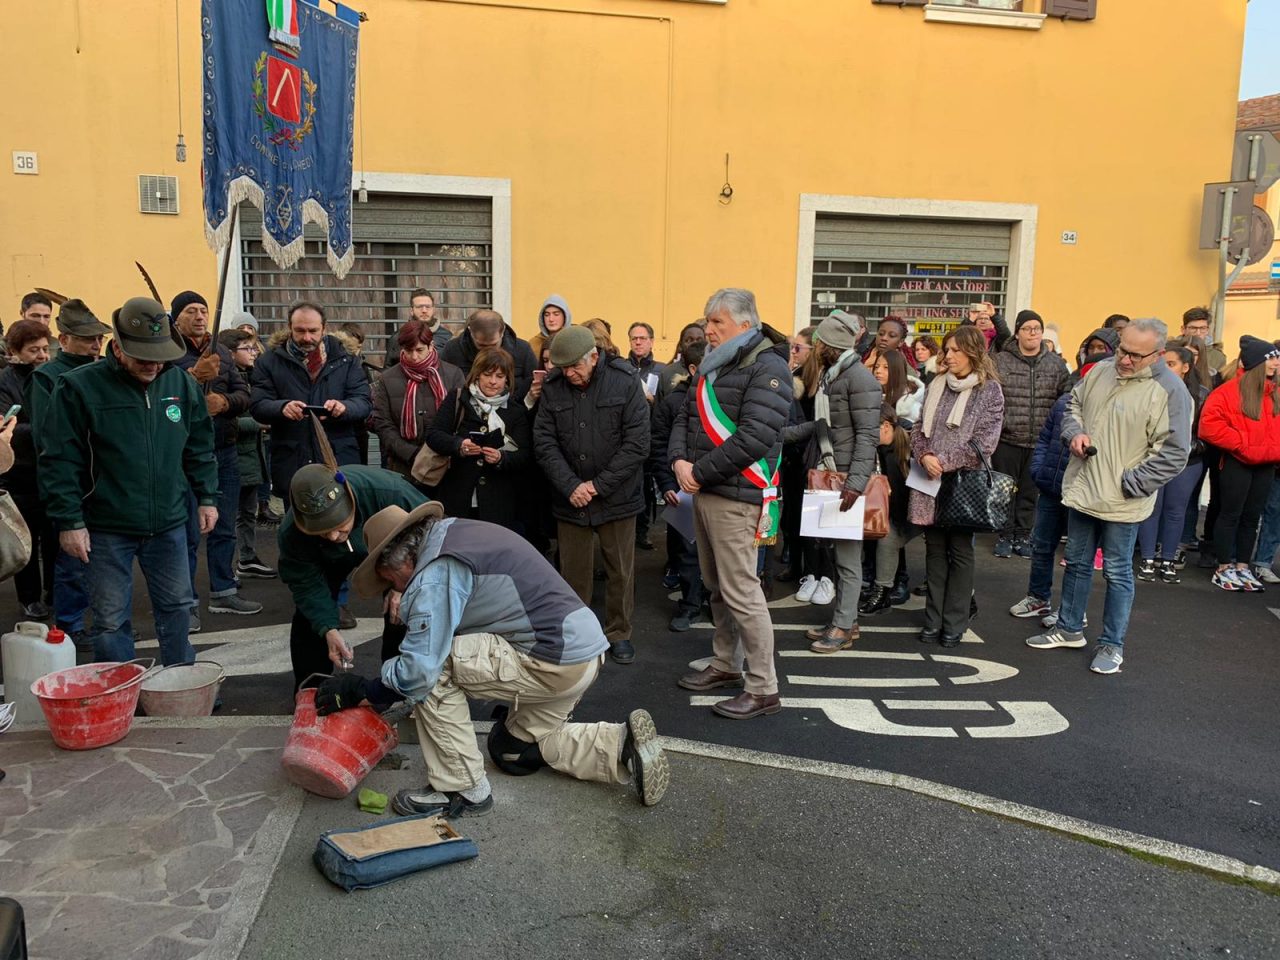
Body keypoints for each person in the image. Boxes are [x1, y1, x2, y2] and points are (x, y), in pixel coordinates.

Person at [313, 504, 671, 817]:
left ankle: (461, 789)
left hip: (550, 658)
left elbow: (419, 672)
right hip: (584, 653)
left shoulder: (435, 573)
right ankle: (621, 746)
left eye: (390, 581)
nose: (397, 590)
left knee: (433, 672)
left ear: (399, 560)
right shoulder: (454, 532)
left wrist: (365, 688)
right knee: (512, 751)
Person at [42, 297, 217, 665]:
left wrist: (207, 496)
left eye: (160, 355)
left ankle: (180, 685)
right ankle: (120, 692)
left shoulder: (179, 385)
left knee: (178, 610)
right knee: (109, 621)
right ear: (118, 348)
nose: (153, 365)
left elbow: (199, 445)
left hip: (168, 522)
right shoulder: (78, 388)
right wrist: (70, 521)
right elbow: (60, 460)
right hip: (105, 527)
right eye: (143, 356)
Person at [1027, 318, 1192, 675]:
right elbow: (1071, 407)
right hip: (1085, 487)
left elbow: (1175, 452)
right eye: (1122, 349)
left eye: (1135, 354)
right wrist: (1074, 434)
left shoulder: (1172, 391)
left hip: (1123, 499)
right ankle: (1069, 628)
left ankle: (1112, 644)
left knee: (1118, 572)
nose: (1125, 359)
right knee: (1076, 561)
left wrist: (1132, 483)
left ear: (1159, 354)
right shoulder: (1101, 370)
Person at [671, 288, 791, 719]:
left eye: (717, 322)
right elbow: (686, 416)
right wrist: (679, 459)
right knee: (717, 586)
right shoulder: (715, 364)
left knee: (742, 591)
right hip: (708, 491)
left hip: (737, 497)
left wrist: (698, 472)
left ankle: (763, 687)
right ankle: (726, 664)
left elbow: (756, 437)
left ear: (744, 324)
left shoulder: (768, 367)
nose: (709, 329)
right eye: (707, 322)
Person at [533, 326, 650, 664]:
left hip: (617, 497)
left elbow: (637, 443)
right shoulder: (555, 388)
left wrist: (597, 486)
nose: (569, 374)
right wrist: (571, 485)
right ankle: (579, 637)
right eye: (563, 368)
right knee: (574, 575)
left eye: (575, 367)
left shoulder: (624, 380)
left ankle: (619, 633)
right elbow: (545, 442)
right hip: (570, 498)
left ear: (594, 357)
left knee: (620, 572)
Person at [277, 454, 426, 685]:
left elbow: (434, 536)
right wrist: (328, 629)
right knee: (311, 620)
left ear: (350, 502)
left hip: (395, 552)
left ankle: (401, 685)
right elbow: (307, 585)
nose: (334, 536)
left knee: (403, 610)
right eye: (323, 531)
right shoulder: (292, 532)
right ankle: (312, 690)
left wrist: (407, 584)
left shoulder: (391, 492)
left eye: (337, 525)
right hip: (327, 561)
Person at [784, 311, 880, 653]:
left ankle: (842, 627)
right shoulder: (833, 375)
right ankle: (846, 620)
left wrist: (854, 483)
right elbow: (824, 425)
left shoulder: (859, 380)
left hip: (845, 482)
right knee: (840, 556)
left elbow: (868, 435)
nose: (816, 346)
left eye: (820, 342)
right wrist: (783, 435)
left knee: (849, 560)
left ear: (832, 345)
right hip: (831, 475)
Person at [910, 325, 1004, 647]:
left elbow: (985, 443)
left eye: (955, 350)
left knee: (960, 552)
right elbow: (917, 431)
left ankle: (955, 622)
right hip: (929, 480)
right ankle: (933, 620)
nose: (948, 356)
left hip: (964, 482)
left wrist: (942, 461)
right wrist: (925, 457)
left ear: (973, 352)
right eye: (946, 350)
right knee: (934, 551)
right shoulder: (935, 383)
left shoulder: (989, 391)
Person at [170, 290, 260, 624]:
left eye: (203, 310)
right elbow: (159, 392)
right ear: (176, 316)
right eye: (190, 311)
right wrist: (193, 379)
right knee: (187, 531)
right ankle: (185, 603)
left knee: (224, 525)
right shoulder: (166, 352)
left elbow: (244, 395)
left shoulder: (220, 350)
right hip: (183, 455)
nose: (199, 316)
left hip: (224, 448)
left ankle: (224, 591)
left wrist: (222, 403)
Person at [26, 299, 109, 643]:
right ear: (64, 338)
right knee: (73, 559)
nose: (96, 344)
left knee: (104, 559)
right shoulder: (46, 377)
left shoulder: (106, 372)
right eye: (88, 338)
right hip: (72, 482)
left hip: (105, 481)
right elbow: (51, 436)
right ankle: (71, 625)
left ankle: (107, 622)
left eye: (99, 338)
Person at [250, 301, 373, 504]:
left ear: (324, 328)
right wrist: (282, 407)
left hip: (338, 458)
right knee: (297, 529)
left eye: (313, 331)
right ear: (289, 327)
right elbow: (258, 404)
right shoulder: (269, 361)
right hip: (292, 461)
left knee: (340, 528)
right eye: (300, 331)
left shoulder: (346, 359)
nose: (307, 337)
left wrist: (344, 408)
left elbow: (363, 402)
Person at [1197, 336, 1280, 592]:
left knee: (1251, 517)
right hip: (1236, 461)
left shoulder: (1274, 393)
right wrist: (1241, 444)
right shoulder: (1228, 391)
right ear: (1256, 362)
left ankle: (1243, 566)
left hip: (1267, 463)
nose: (1276, 363)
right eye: (1271, 358)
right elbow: (1208, 426)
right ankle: (1224, 565)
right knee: (1230, 513)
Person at [991, 310, 1071, 559]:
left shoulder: (1056, 364)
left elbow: (1066, 398)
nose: (1033, 332)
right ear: (1017, 332)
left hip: (1039, 440)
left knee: (1029, 492)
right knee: (1003, 490)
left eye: (1037, 328)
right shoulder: (1000, 360)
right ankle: (1004, 535)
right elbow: (990, 395)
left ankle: (1024, 535)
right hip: (1007, 438)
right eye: (1027, 328)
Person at [424, 348, 532, 531]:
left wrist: (501, 458)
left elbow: (524, 454)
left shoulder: (515, 410)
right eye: (487, 374)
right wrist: (459, 445)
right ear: (476, 375)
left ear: (508, 379)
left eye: (499, 376)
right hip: (457, 496)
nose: (493, 381)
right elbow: (434, 435)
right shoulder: (458, 399)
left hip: (497, 503)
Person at [1135, 345, 1208, 584]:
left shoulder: (1199, 394)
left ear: (1186, 368)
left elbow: (1201, 431)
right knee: (1151, 508)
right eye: (1163, 363)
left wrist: (1193, 448)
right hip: (1153, 459)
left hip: (1186, 462)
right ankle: (1147, 559)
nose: (1165, 369)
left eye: (1171, 364)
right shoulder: (1149, 389)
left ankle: (1167, 560)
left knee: (1175, 511)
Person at [651, 339, 707, 632]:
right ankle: (689, 604)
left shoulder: (720, 398)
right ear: (694, 368)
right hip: (681, 490)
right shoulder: (674, 402)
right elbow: (659, 445)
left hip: (714, 488)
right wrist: (667, 483)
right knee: (685, 551)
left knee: (715, 551)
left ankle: (711, 601)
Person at [0, 320, 55, 619]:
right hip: (20, 474)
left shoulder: (51, 377)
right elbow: (10, 429)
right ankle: (30, 597)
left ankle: (55, 592)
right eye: (33, 350)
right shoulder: (5, 382)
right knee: (28, 542)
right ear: (14, 351)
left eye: (45, 349)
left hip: (51, 471)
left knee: (56, 540)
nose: (42, 356)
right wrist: (49, 430)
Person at [370, 321, 464, 481]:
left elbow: (462, 418)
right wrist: (412, 453)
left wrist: (444, 448)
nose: (414, 357)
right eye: (408, 350)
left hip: (446, 465)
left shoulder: (453, 374)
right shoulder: (388, 378)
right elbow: (383, 424)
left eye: (420, 350)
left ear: (431, 345)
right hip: (403, 466)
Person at [218, 328, 277, 582]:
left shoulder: (252, 377)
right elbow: (225, 421)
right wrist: (260, 424)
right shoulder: (223, 380)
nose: (254, 352)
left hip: (252, 455)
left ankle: (247, 558)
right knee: (229, 517)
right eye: (248, 348)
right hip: (236, 456)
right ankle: (226, 569)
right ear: (231, 353)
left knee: (247, 513)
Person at [859, 404, 915, 616]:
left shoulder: (906, 448)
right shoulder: (883, 449)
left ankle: (882, 591)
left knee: (888, 537)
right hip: (896, 510)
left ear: (885, 426)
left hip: (915, 511)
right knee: (885, 535)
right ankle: (882, 590)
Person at [441, 309, 537, 401]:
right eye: (481, 345)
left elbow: (532, 383)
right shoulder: (452, 349)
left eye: (493, 345)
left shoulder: (523, 350)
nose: (488, 350)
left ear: (502, 331)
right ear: (470, 332)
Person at [873, 349, 926, 424]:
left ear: (898, 370)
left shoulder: (909, 404)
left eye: (886, 367)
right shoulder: (877, 397)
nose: (878, 371)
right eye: (876, 367)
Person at [658, 322, 707, 399]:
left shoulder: (711, 370)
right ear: (680, 345)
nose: (694, 344)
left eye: (699, 340)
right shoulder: (667, 373)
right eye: (689, 340)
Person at [527, 295, 572, 365]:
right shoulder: (533, 344)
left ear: (565, 316)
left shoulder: (573, 340)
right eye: (547, 315)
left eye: (556, 314)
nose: (551, 319)